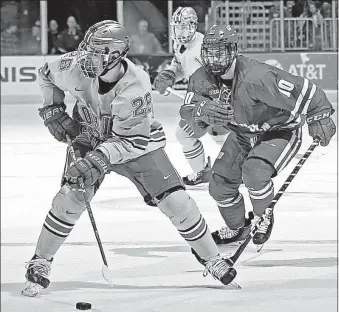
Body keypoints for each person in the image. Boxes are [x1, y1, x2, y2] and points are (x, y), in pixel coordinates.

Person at [21, 20, 237, 297]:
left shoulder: (135, 85)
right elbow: (45, 74)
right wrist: (52, 108)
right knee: (70, 196)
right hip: (90, 136)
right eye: (89, 48)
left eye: (98, 52)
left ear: (116, 56)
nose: (88, 57)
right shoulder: (72, 65)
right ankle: (41, 260)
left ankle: (211, 257)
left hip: (137, 145)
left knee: (177, 202)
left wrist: (99, 158)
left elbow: (132, 140)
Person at [180, 24, 336, 246]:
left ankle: (263, 216)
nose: (214, 58)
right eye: (209, 52)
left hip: (279, 130)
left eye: (220, 51)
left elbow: (303, 89)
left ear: (233, 50)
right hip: (242, 133)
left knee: (254, 171)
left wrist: (319, 113)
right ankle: (237, 229)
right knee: (219, 184)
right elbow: (188, 114)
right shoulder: (200, 78)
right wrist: (200, 111)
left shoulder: (257, 76)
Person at [153, 7, 228, 187]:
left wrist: (220, 96)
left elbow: (223, 71)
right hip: (197, 102)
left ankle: (244, 168)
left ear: (193, 26)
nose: (180, 32)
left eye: (184, 27)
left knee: (221, 136)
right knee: (184, 135)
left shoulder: (205, 46)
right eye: (177, 27)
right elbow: (178, 64)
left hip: (215, 99)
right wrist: (170, 74)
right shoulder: (178, 44)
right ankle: (203, 172)